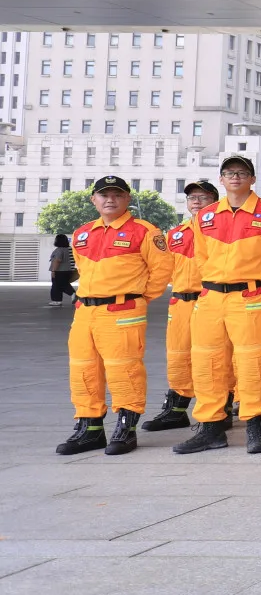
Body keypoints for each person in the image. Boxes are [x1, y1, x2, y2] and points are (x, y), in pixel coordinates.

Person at [174, 155, 261, 456]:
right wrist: (213, 283)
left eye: (242, 173)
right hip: (211, 298)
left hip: (251, 298)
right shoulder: (207, 215)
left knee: (253, 364)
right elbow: (201, 257)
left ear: (252, 179)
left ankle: (255, 426)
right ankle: (211, 428)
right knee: (207, 362)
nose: (235, 178)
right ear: (221, 180)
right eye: (229, 173)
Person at [55, 175, 170, 457]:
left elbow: (163, 270)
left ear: (127, 199)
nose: (110, 199)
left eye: (117, 194)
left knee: (124, 370)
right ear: (93, 200)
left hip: (122, 311)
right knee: (83, 370)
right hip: (86, 313)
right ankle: (89, 429)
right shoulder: (82, 233)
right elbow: (83, 270)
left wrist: (139, 298)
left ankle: (125, 428)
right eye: (103, 195)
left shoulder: (145, 231)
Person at [145, 179, 220, 432]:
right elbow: (162, 269)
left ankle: (222, 407)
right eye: (192, 198)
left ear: (215, 201)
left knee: (212, 358)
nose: (196, 202)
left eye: (203, 197)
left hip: (209, 299)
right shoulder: (176, 234)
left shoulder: (220, 230)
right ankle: (176, 409)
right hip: (180, 302)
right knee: (178, 356)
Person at [48, 232, 78, 306]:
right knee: (62, 284)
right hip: (69, 270)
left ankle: (70, 295)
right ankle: (58, 300)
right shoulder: (70, 249)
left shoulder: (59, 250)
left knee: (57, 285)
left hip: (60, 271)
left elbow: (57, 260)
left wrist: (53, 271)